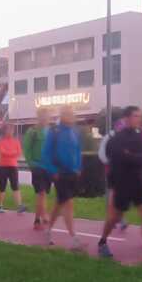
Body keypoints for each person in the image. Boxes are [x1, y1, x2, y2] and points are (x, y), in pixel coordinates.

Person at [98, 106, 142, 264]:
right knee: (115, 217)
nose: (139, 119)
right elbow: (119, 159)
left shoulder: (139, 136)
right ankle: (102, 242)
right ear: (127, 118)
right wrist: (136, 158)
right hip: (122, 182)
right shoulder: (116, 139)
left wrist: (133, 156)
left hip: (139, 182)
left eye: (140, 116)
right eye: (136, 116)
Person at [40, 106, 82, 248]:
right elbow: (46, 154)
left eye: (72, 114)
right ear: (62, 115)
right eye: (68, 114)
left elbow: (77, 150)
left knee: (60, 203)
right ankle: (74, 238)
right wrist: (53, 171)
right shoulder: (54, 131)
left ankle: (48, 230)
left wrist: (78, 167)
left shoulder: (74, 131)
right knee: (68, 203)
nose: (71, 116)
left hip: (72, 174)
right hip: (59, 173)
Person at [98, 116, 131, 233]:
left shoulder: (127, 137)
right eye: (121, 127)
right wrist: (109, 162)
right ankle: (117, 219)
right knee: (114, 192)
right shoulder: (109, 137)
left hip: (124, 169)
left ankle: (118, 218)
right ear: (116, 127)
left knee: (121, 193)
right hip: (111, 168)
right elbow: (102, 152)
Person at [23, 108, 53, 230]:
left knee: (44, 194)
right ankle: (39, 218)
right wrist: (31, 164)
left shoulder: (51, 131)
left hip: (49, 167)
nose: (45, 119)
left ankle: (41, 216)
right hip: (37, 167)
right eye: (43, 117)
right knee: (41, 193)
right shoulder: (33, 132)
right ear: (39, 117)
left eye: (47, 117)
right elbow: (26, 149)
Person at [0, 123, 25, 213]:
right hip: (2, 167)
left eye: (12, 130)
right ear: (4, 131)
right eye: (9, 129)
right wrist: (12, 153)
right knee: (2, 186)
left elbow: (19, 153)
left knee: (15, 185)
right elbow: (2, 152)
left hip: (13, 166)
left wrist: (11, 153)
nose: (11, 131)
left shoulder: (16, 141)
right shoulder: (0, 142)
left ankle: (20, 206)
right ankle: (0, 206)